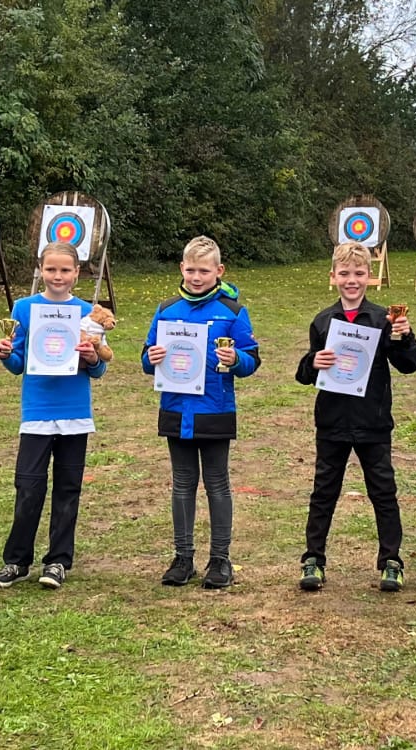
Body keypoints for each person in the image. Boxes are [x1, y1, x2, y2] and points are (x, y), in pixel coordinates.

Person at [295, 241, 416, 592]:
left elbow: (409, 364)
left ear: (371, 276)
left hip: (373, 421)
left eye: (359, 273)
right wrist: (313, 363)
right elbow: (305, 373)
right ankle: (313, 559)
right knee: (324, 491)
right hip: (332, 421)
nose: (352, 280)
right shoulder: (323, 321)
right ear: (333, 276)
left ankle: (392, 561)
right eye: (345, 274)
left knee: (383, 491)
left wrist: (404, 337)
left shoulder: (385, 319)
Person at [0, 241, 107, 590]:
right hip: (37, 413)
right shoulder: (24, 308)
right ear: (41, 271)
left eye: (65, 270)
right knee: (28, 486)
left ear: (77, 273)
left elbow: (98, 369)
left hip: (74, 413)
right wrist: (5, 354)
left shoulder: (88, 312)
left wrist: (91, 358)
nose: (58, 276)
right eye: (51, 269)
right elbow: (18, 364)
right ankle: (16, 561)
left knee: (68, 489)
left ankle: (57, 561)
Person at [142, 236, 260, 589]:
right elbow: (147, 358)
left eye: (204, 271)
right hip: (176, 410)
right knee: (181, 485)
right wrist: (152, 358)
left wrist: (236, 359)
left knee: (217, 484)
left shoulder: (233, 311)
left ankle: (220, 559)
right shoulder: (166, 310)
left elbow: (251, 359)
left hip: (215, 411)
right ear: (181, 268)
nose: (196, 277)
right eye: (191, 269)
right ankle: (183, 558)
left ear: (219, 271)